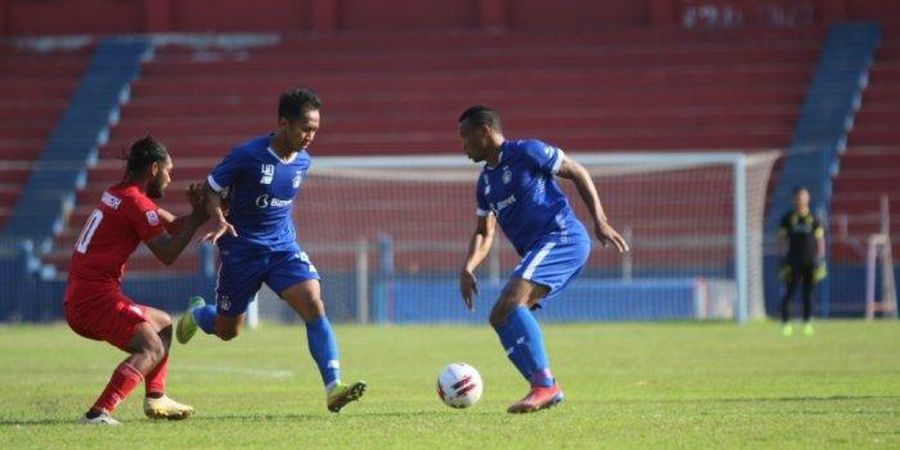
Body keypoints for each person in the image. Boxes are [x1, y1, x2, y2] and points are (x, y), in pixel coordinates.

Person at [175, 87, 367, 413]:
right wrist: (219, 218)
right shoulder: (247, 155)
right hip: (241, 250)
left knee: (313, 304)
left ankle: (334, 386)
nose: (310, 136)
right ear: (283, 123)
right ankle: (197, 313)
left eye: (315, 130)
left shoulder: (303, 161)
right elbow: (210, 189)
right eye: (305, 128)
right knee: (227, 330)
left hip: (282, 248)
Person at [456, 106, 629, 414]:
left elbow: (577, 171)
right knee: (499, 316)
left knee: (512, 302)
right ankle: (543, 386)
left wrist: (600, 221)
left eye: (466, 138)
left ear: (484, 131)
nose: (463, 147)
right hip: (541, 248)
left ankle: (545, 385)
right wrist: (468, 266)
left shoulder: (527, 152)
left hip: (562, 238)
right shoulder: (484, 184)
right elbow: (484, 232)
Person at [64, 136, 208, 425]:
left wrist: (200, 215)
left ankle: (156, 397)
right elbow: (167, 253)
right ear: (154, 168)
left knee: (164, 324)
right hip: (94, 299)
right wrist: (198, 218)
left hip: (85, 294)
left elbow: (174, 224)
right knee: (151, 348)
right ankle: (98, 413)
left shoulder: (119, 194)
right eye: (169, 171)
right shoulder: (136, 204)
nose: (170, 178)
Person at [778, 186, 826, 337]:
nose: (801, 200)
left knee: (808, 294)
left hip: (810, 263)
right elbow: (781, 240)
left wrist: (820, 259)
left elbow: (820, 240)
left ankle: (807, 324)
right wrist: (781, 259)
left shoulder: (813, 219)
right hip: (792, 262)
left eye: (803, 197)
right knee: (789, 293)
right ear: (794, 199)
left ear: (808, 199)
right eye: (798, 198)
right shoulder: (788, 218)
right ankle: (786, 324)